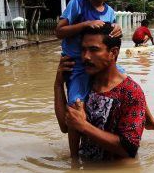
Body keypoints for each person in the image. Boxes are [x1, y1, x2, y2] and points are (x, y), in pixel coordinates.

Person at [54, 0, 154, 138]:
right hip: (76, 65)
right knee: (75, 108)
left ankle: (149, 120)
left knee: (132, 85)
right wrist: (85, 24)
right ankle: (74, 159)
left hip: (100, 63)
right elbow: (59, 31)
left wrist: (118, 29)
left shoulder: (110, 12)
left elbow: (110, 41)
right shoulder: (76, 4)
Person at [54, 27, 147, 160]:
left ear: (113, 53)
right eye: (83, 50)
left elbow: (129, 149)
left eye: (93, 50)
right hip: (86, 170)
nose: (85, 56)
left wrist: (84, 126)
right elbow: (65, 126)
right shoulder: (84, 86)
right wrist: (58, 84)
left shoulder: (130, 92)